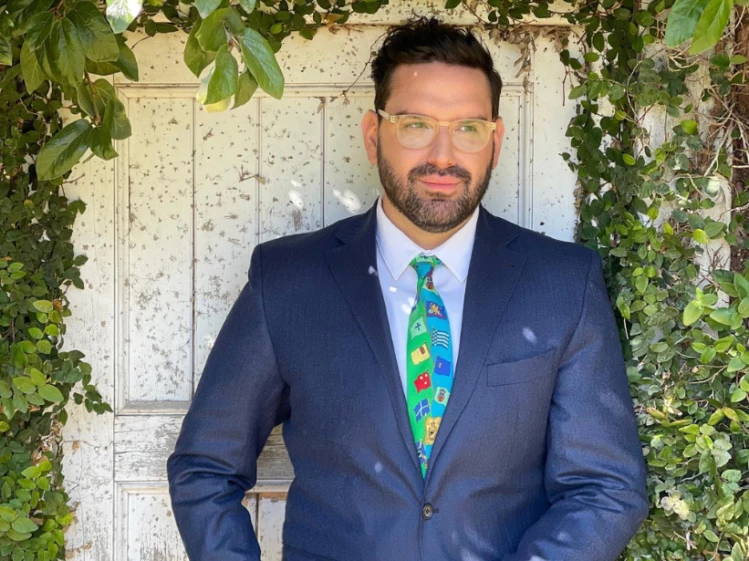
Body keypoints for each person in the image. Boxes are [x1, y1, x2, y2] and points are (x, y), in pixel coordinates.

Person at [167, 16, 648, 561]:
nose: (443, 155)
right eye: (416, 124)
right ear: (374, 136)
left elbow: (606, 486)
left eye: (468, 128)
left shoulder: (562, 284)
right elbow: (205, 467)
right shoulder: (287, 281)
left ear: (495, 141)